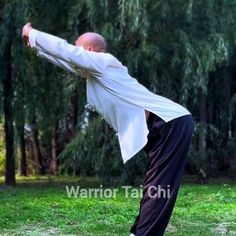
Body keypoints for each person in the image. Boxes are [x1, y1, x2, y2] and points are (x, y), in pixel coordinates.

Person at [22, 22, 195, 236]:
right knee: (155, 185)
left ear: (89, 51)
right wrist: (36, 45)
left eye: (78, 47)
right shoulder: (95, 73)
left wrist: (33, 33)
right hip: (161, 127)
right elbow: (67, 61)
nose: (74, 52)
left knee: (159, 186)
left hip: (169, 121)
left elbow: (66, 52)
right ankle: (140, 232)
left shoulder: (104, 62)